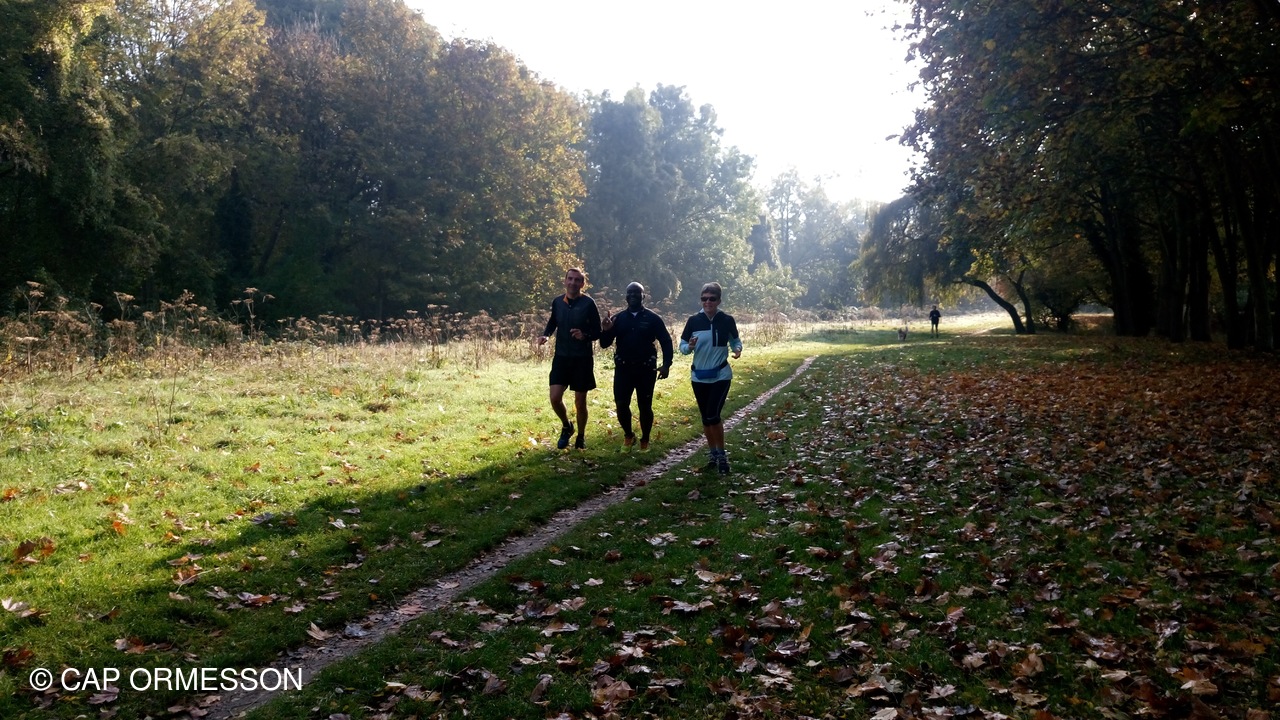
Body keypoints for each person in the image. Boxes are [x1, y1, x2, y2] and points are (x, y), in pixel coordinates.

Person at [599, 282, 674, 452]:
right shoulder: (617, 319)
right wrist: (606, 330)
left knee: (645, 406)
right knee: (621, 404)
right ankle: (628, 435)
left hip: (646, 369)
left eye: (636, 293)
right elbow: (604, 344)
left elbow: (666, 341)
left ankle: (645, 439)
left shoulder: (653, 318)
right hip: (623, 369)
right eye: (630, 293)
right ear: (626, 296)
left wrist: (666, 365)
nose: (633, 295)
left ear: (643, 296)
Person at [678, 282, 742, 474]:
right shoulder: (693, 321)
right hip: (699, 377)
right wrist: (689, 347)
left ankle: (722, 456)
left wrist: (737, 349)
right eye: (704, 299)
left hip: (721, 375)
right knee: (706, 418)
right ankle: (713, 454)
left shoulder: (727, 320)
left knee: (713, 415)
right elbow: (682, 347)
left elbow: (735, 340)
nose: (707, 302)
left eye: (712, 299)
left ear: (719, 300)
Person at [537, 268, 601, 449]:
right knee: (555, 398)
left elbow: (597, 332)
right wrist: (546, 334)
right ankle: (567, 426)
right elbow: (553, 321)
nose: (573, 283)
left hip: (582, 359)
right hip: (561, 357)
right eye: (570, 279)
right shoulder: (558, 302)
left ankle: (581, 437)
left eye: (577, 280)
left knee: (580, 402)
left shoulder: (589, 303)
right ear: (565, 281)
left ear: (582, 284)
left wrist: (584, 335)